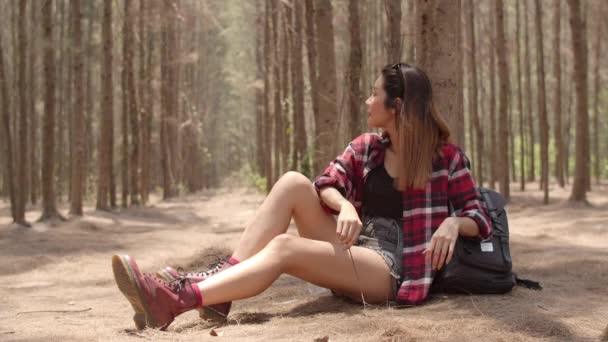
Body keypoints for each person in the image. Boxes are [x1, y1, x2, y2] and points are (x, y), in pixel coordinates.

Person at [112, 63, 493, 331]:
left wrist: (452, 222)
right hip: (357, 246)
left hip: (395, 267)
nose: (366, 101)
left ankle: (176, 300)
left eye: (374, 94)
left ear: (396, 106)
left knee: (284, 248)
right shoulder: (368, 148)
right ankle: (220, 289)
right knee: (294, 181)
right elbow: (324, 182)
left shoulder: (446, 158)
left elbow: (480, 218)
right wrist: (343, 204)